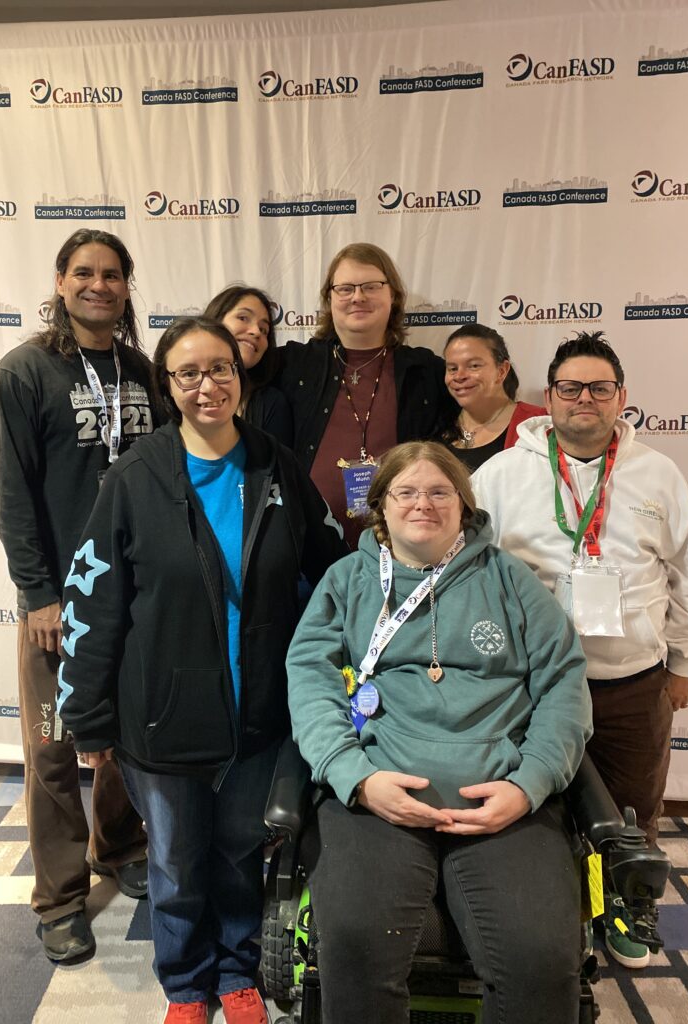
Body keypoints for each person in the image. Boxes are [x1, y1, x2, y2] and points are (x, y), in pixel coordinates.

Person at [57, 317, 347, 1024]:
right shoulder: (134, 477)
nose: (207, 384)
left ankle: (237, 970)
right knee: (177, 866)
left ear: (240, 377)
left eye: (220, 368)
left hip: (258, 716)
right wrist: (87, 717)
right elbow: (93, 603)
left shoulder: (274, 463)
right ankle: (186, 983)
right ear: (169, 385)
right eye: (188, 372)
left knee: (240, 857)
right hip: (162, 720)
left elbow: (330, 565)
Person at [287, 440, 592, 1024]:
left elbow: (563, 684)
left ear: (463, 504)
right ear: (381, 505)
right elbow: (310, 677)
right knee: (353, 947)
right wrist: (354, 777)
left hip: (501, 795)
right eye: (405, 491)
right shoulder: (347, 580)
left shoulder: (510, 579)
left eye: (438, 491)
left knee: (541, 961)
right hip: (378, 793)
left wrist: (529, 785)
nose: (421, 504)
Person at [471, 331, 688, 968]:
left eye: (600, 388)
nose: (585, 400)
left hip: (632, 677)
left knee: (634, 805)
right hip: (532, 681)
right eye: (570, 388)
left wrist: (684, 662)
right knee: (538, 804)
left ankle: (629, 905)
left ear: (622, 398)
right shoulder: (502, 473)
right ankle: (553, 909)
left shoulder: (658, 472)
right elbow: (471, 570)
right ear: (550, 397)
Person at [0, 229, 154, 962]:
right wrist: (38, 595)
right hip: (60, 605)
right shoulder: (24, 372)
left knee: (121, 743)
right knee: (54, 750)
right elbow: (9, 491)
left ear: (126, 286)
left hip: (136, 600)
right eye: (83, 273)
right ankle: (58, 896)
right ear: (60, 282)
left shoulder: (144, 372)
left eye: (112, 274)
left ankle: (115, 846)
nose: (99, 285)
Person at [276, 242, 455, 547]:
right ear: (329, 299)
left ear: (393, 296)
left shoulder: (427, 372)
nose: (357, 297)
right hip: (306, 552)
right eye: (345, 288)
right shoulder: (291, 365)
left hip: (401, 552)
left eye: (371, 286)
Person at [441, 323, 545, 472]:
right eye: (452, 368)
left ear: (502, 370)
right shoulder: (437, 425)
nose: (459, 376)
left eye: (474, 366)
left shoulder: (537, 424)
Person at [204, 284, 293, 446]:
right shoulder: (181, 388)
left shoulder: (272, 403)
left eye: (264, 329)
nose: (256, 332)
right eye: (243, 318)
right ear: (215, 321)